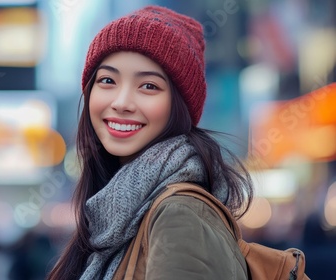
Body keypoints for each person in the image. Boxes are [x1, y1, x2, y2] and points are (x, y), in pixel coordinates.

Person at [46, 5, 254, 280]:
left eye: (149, 86)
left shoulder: (180, 216)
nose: (121, 103)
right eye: (108, 80)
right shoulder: (111, 218)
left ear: (178, 106)